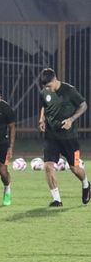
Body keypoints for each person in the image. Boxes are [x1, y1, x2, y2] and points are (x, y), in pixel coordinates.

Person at [37, 68, 89, 206]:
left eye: (49, 85)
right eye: (45, 87)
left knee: (75, 168)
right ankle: (57, 200)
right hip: (51, 136)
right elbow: (44, 105)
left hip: (69, 138)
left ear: (55, 79)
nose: (48, 89)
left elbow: (84, 105)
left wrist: (71, 119)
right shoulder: (44, 92)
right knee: (48, 166)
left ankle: (85, 184)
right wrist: (42, 119)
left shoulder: (69, 90)